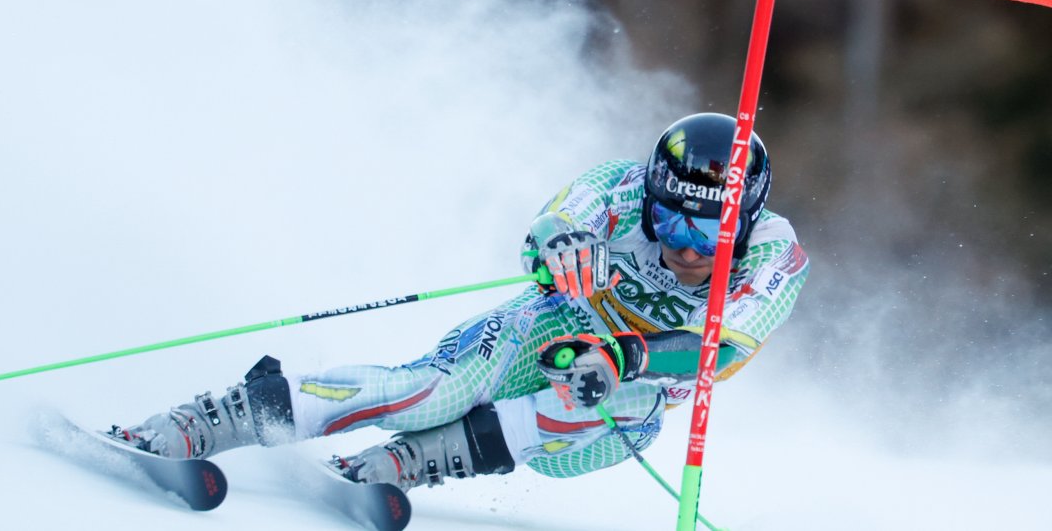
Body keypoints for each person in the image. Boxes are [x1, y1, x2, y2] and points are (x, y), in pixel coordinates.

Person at [108, 112, 810, 491]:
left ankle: (421, 460)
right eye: (672, 220)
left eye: (709, 228)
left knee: (633, 401)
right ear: (651, 197)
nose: (687, 246)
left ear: (745, 220)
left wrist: (625, 355)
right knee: (430, 392)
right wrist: (562, 244)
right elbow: (551, 225)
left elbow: (719, 348)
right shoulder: (622, 186)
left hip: (615, 400)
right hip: (554, 325)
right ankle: (209, 418)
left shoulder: (777, 255)